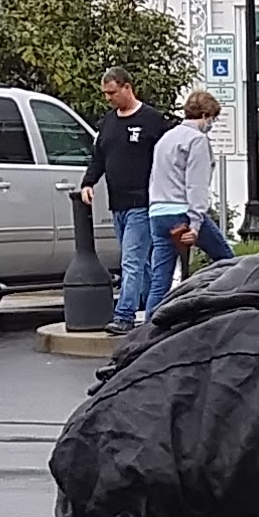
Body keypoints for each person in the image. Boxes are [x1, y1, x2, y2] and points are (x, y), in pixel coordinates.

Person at [77, 69, 165, 328]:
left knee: (131, 260)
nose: (108, 98)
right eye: (105, 94)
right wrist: (88, 182)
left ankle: (124, 315)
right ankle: (154, 308)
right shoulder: (107, 124)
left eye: (112, 92)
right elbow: (99, 158)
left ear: (127, 88)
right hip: (118, 204)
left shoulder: (152, 120)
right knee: (141, 262)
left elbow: (167, 155)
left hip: (143, 202)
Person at [149, 90, 232, 276]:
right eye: (212, 118)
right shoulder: (197, 140)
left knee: (161, 276)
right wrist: (195, 225)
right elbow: (196, 185)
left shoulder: (165, 138)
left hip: (158, 213)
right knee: (228, 261)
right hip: (182, 213)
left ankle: (157, 299)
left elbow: (155, 177)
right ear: (204, 115)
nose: (211, 124)